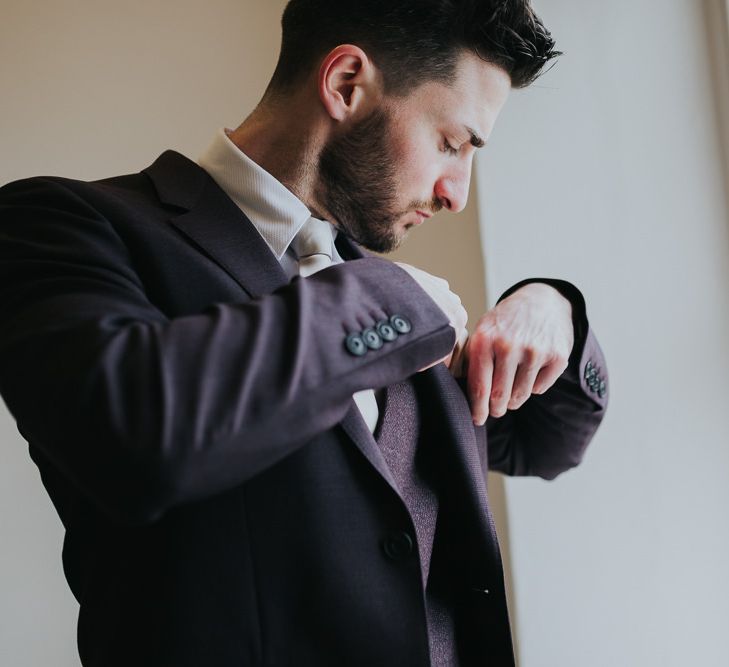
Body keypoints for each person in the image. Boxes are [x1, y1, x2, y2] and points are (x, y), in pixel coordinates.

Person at [0, 1, 608, 665]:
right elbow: (131, 431)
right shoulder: (61, 224)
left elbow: (545, 442)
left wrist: (554, 310)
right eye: (451, 143)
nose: (455, 192)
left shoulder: (399, 307)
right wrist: (390, 301)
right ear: (347, 83)